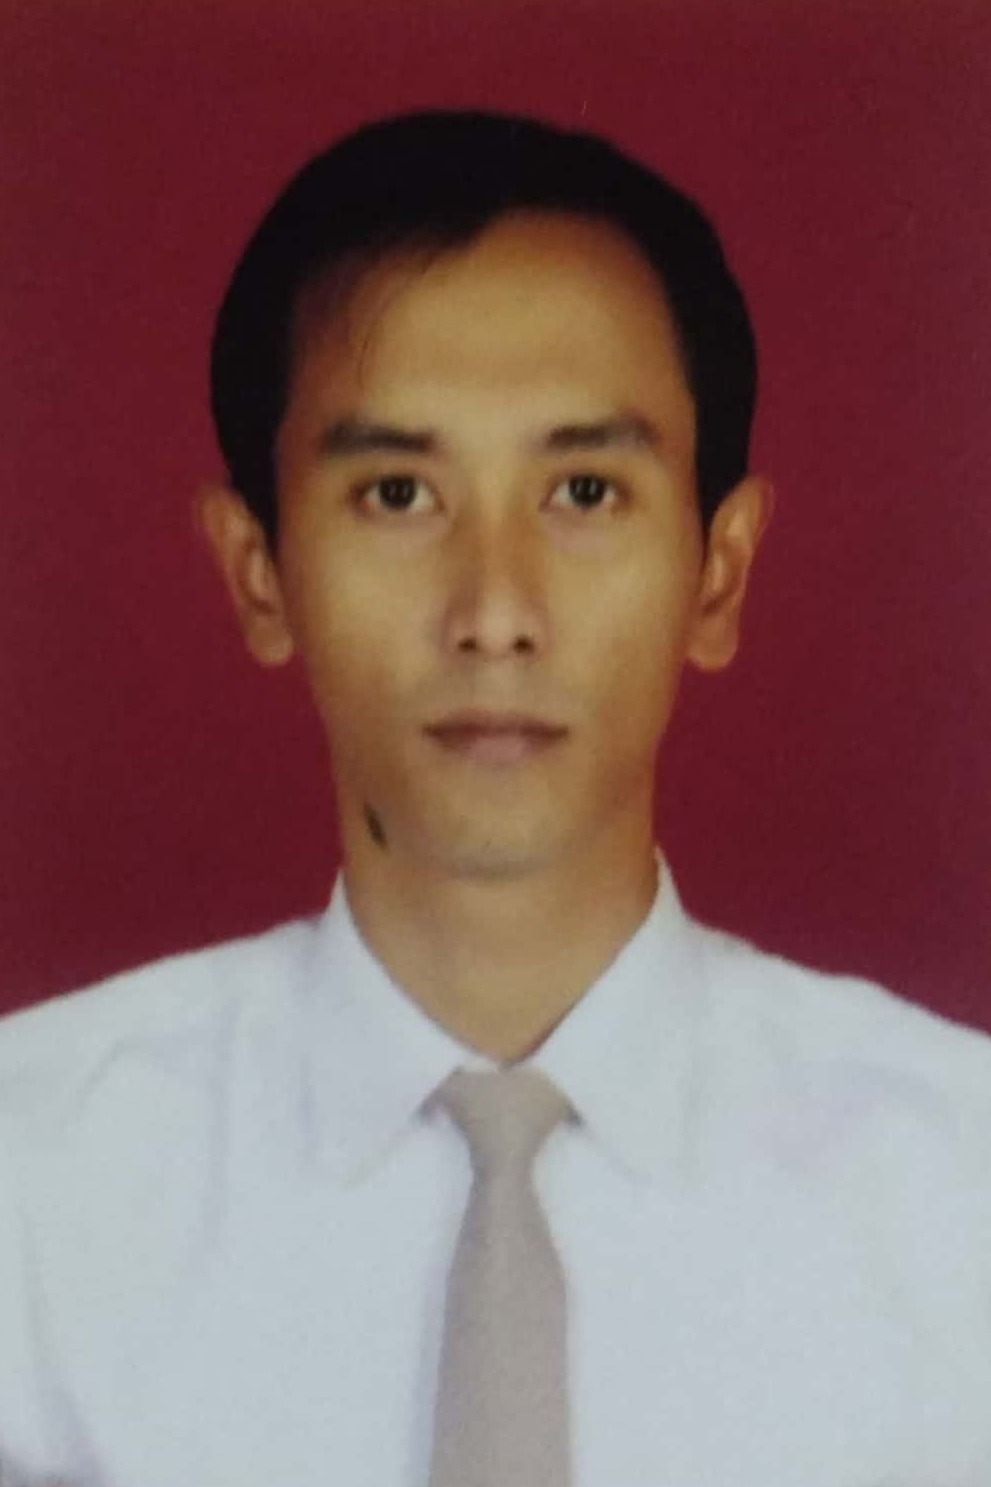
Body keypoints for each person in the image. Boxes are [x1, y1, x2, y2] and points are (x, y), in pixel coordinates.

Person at [0, 108, 989, 1487]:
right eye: (398, 495)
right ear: (258, 572)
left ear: (718, 571)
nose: (496, 612)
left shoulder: (961, 1199)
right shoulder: (32, 1196)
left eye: (584, 490)